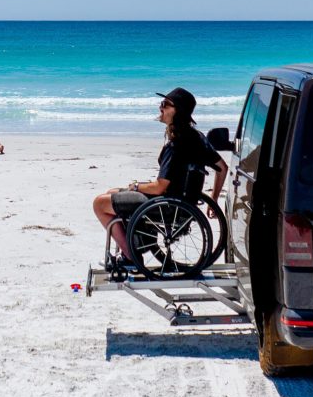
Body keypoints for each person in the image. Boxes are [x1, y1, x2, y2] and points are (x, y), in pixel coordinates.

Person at [92, 87, 228, 266]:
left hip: (168, 206)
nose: (160, 108)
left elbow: (159, 187)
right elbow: (223, 168)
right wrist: (214, 198)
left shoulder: (176, 146)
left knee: (100, 204)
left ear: (177, 110)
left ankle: (131, 256)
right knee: (113, 193)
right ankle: (136, 245)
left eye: (165, 105)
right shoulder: (197, 138)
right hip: (184, 203)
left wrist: (136, 186)